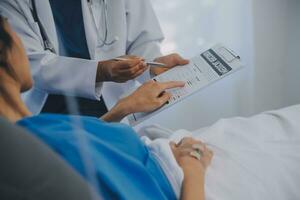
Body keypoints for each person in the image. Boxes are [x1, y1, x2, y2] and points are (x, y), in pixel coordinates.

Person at [0, 16, 211, 200]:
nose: (23, 46)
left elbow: (79, 149)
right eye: (17, 36)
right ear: (4, 52)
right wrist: (194, 165)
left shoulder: (40, 129)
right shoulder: (32, 148)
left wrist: (123, 108)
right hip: (187, 175)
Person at [0, 0, 189, 117]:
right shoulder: (12, 3)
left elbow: (143, 40)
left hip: (116, 104)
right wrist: (100, 71)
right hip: (50, 111)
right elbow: (26, 62)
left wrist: (152, 66)